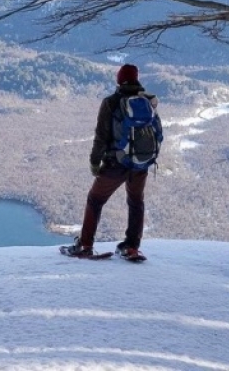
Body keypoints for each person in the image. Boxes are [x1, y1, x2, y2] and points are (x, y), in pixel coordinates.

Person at [64, 63, 160, 259]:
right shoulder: (148, 101)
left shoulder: (111, 102)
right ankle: (131, 246)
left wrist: (94, 162)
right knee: (136, 202)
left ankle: (84, 245)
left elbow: (101, 136)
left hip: (116, 163)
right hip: (140, 164)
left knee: (95, 199)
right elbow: (156, 133)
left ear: (119, 79)